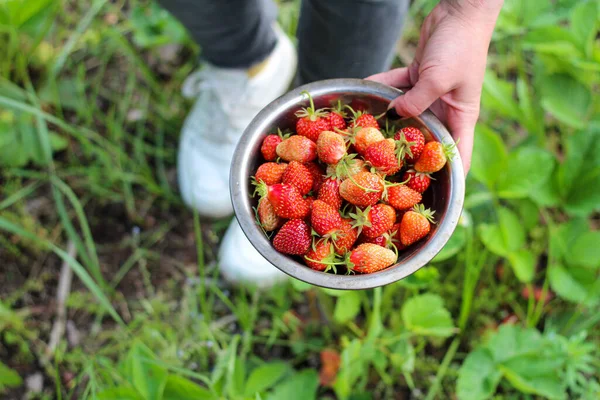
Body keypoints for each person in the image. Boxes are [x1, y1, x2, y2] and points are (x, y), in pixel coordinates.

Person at [159, 0, 503, 287]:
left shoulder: (367, 188)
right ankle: (247, 67)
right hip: (321, 174)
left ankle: (327, 74)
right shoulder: (318, 163)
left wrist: (466, 11)